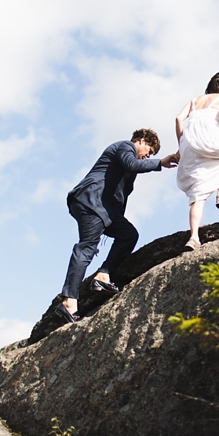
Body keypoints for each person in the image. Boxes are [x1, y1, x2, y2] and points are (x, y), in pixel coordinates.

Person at [56, 129, 178, 325]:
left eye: (153, 154)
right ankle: (69, 300)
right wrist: (160, 163)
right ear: (141, 140)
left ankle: (103, 275)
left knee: (128, 234)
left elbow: (123, 194)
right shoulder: (125, 147)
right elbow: (132, 164)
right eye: (149, 149)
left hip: (106, 211)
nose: (149, 154)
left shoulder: (130, 168)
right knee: (87, 247)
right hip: (91, 202)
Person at [174, 71, 219, 251]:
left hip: (189, 143)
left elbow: (178, 119)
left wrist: (181, 144)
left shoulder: (194, 100)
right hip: (210, 137)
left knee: (197, 194)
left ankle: (193, 238)